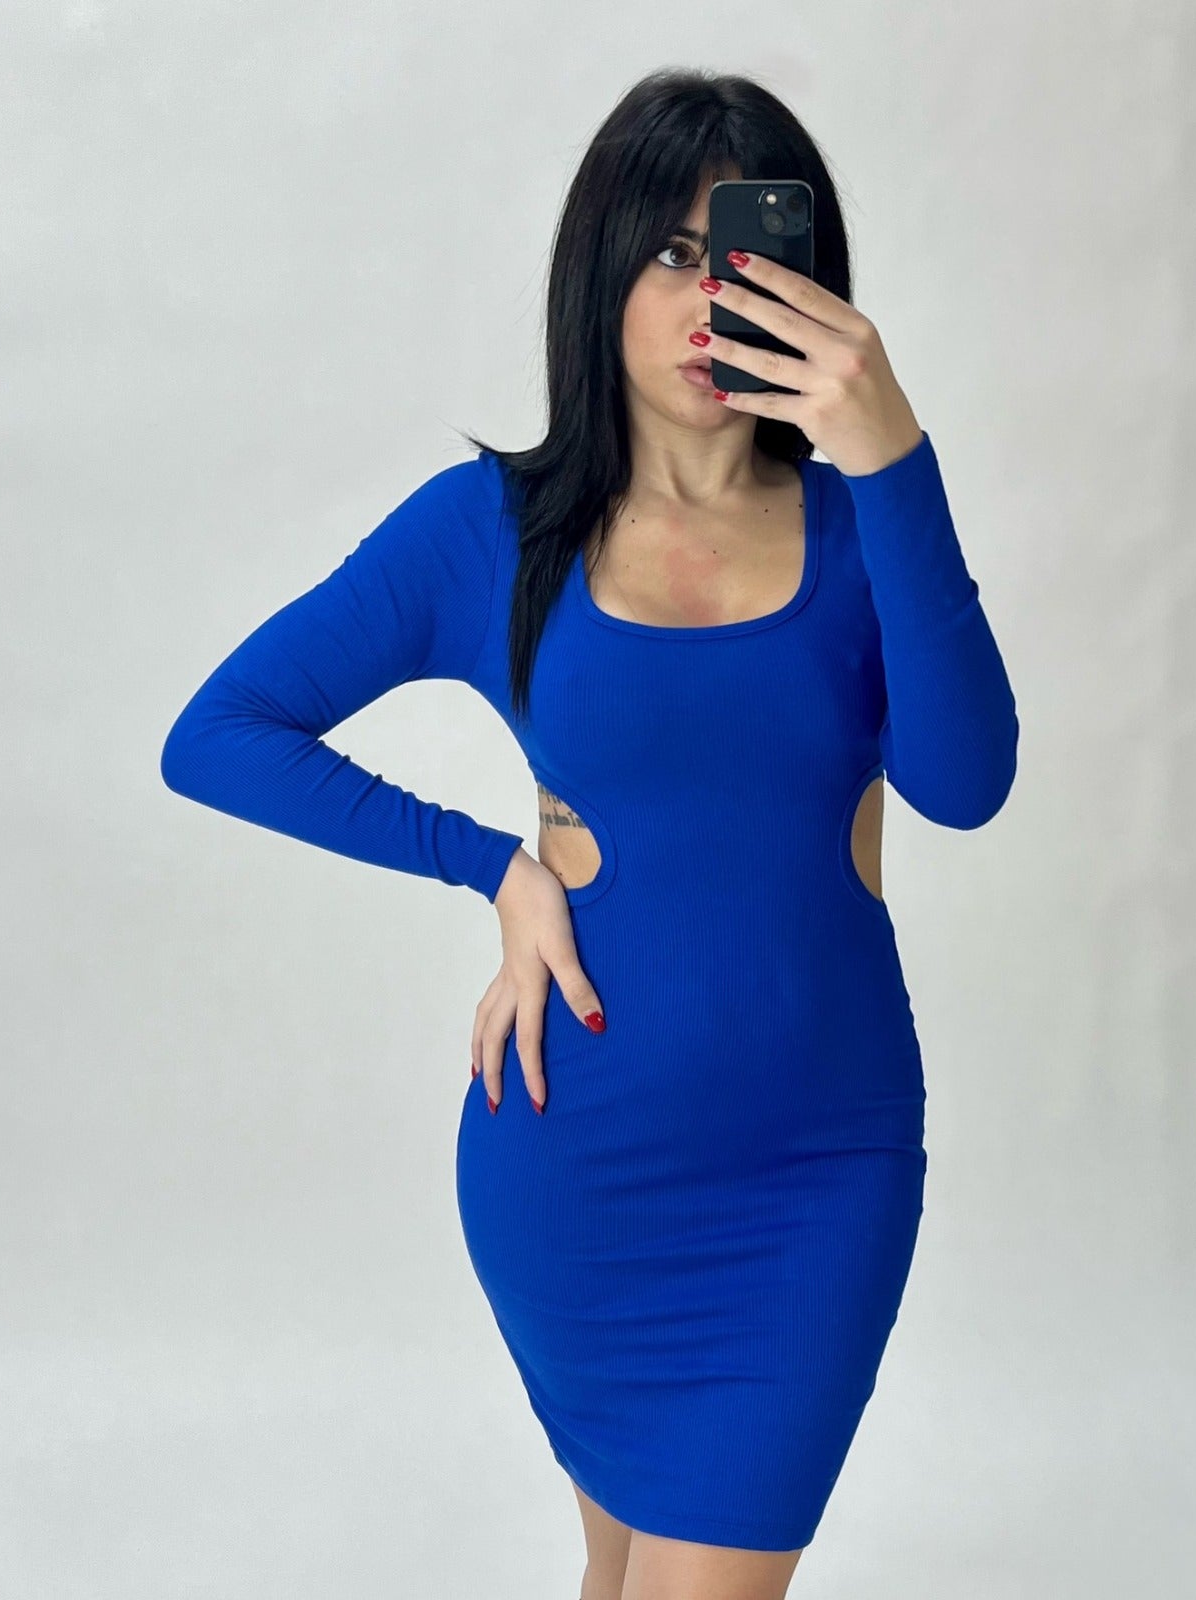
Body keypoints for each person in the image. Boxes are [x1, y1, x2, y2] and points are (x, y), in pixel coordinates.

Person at [161, 67, 1018, 1600]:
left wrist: (890, 451)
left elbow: (965, 781)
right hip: (579, 1157)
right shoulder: (491, 531)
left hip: (819, 1168)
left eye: (745, 253)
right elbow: (219, 733)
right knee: (616, 1572)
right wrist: (488, 865)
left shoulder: (858, 528)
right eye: (673, 253)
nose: (709, 297)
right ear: (602, 267)